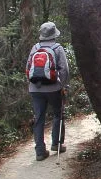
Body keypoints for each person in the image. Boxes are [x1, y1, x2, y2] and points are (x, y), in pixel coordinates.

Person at [27, 21, 70, 161]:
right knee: (58, 114)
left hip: (35, 89)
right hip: (53, 88)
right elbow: (64, 69)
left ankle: (40, 151)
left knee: (39, 118)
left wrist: (33, 84)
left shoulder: (35, 48)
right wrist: (62, 85)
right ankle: (56, 144)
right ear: (53, 35)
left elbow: (28, 68)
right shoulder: (57, 48)